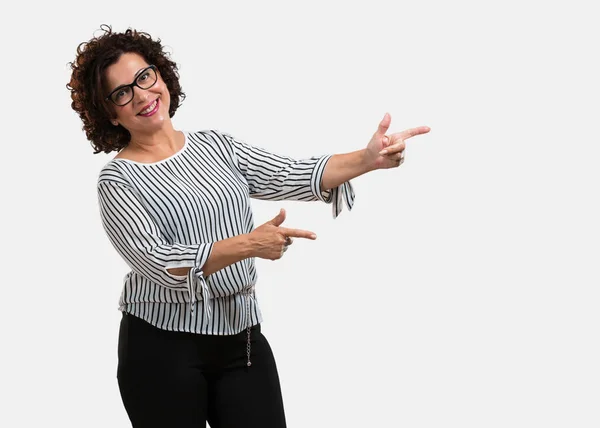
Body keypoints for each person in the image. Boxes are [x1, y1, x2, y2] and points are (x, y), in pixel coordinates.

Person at [67, 24, 430, 428]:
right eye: (122, 93)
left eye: (144, 77)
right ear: (110, 112)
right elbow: (158, 263)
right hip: (161, 348)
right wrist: (249, 245)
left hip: (242, 339)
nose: (141, 95)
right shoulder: (117, 180)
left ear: (161, 75)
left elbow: (290, 173)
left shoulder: (215, 146)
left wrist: (367, 159)